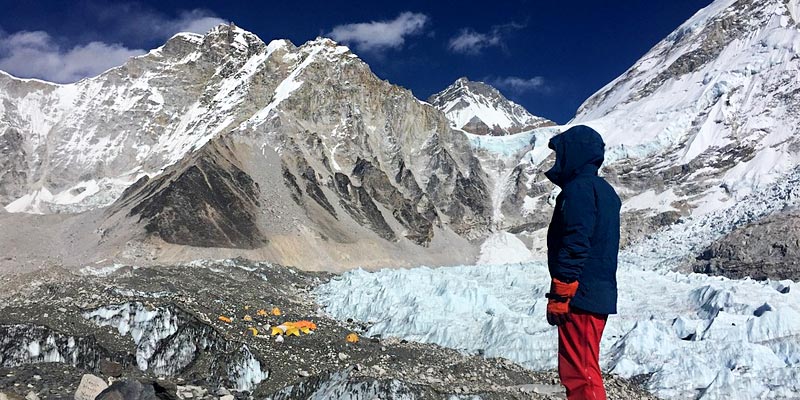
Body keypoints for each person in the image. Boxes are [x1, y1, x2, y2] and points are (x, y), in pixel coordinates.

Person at [543, 125, 621, 400]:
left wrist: (562, 289)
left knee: (581, 373)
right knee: (580, 368)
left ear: (574, 154)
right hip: (593, 292)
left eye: (560, 154)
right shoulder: (604, 191)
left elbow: (576, 241)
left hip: (581, 294)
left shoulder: (579, 190)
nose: (557, 162)